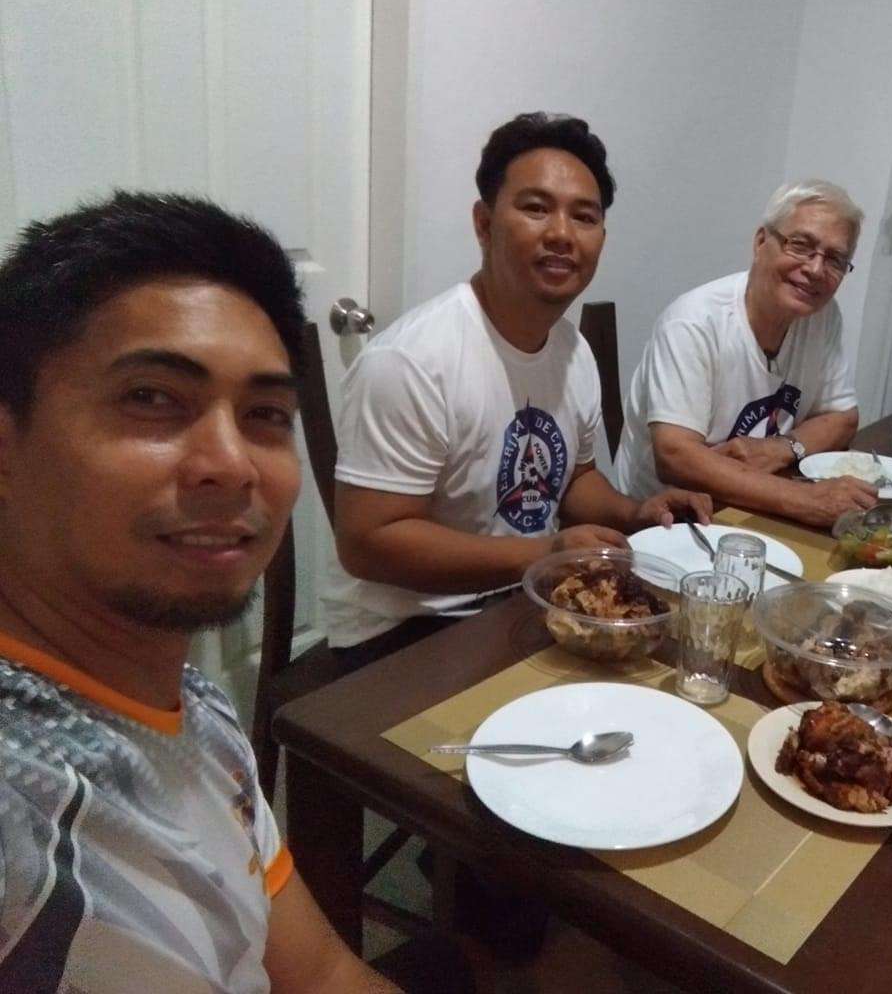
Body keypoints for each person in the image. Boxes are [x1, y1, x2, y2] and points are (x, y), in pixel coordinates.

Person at [0, 193, 404, 991]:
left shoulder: (196, 706)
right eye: (151, 398)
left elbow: (322, 972)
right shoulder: (26, 820)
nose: (231, 464)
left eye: (266, 413)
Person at [321, 112, 709, 656]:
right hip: (402, 633)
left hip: (523, 601)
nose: (561, 235)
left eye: (584, 217)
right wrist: (547, 553)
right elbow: (368, 543)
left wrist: (634, 513)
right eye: (535, 208)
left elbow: (573, 479)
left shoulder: (572, 349)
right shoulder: (411, 361)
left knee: (686, 656)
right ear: (484, 224)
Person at [613, 180, 878, 529]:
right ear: (761, 241)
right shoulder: (694, 322)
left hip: (751, 512)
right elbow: (675, 456)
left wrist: (782, 448)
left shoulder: (822, 316)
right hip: (664, 525)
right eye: (800, 246)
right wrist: (807, 500)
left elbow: (843, 417)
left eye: (835, 259)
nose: (816, 269)